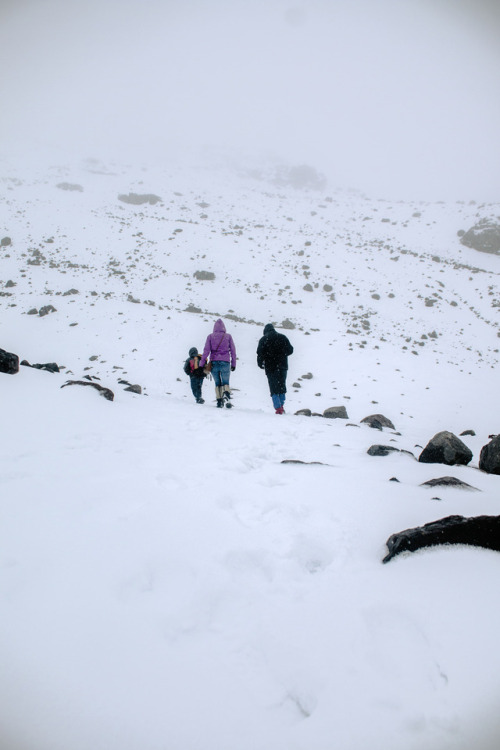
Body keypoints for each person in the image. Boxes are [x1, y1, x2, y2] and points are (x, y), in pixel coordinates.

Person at [257, 323, 293, 414]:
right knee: (281, 385)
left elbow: (259, 353)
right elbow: (290, 350)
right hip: (282, 366)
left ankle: (278, 408)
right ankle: (281, 405)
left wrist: (260, 363)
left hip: (270, 367)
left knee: (273, 387)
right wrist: (282, 354)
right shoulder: (282, 337)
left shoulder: (264, 339)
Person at [200, 319, 236, 408]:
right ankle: (227, 397)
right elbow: (233, 350)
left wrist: (201, 364)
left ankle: (219, 401)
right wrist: (233, 363)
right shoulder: (228, 336)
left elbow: (206, 351)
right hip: (225, 362)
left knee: (217, 383)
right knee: (225, 382)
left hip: (214, 362)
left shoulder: (210, 337)